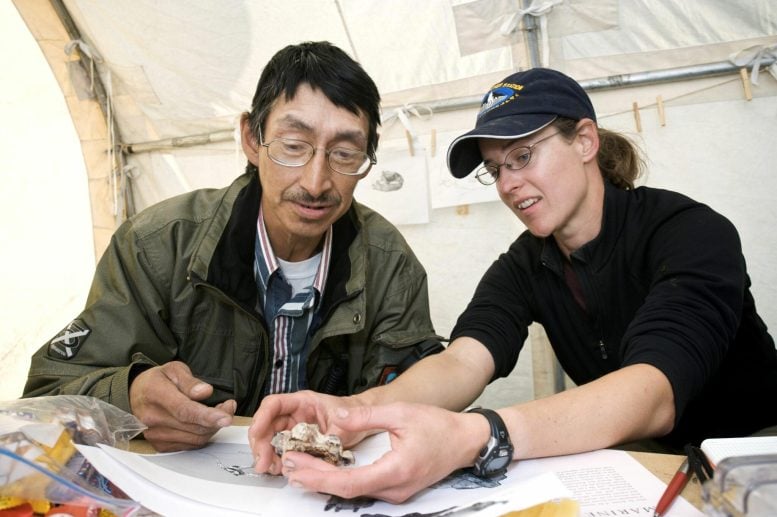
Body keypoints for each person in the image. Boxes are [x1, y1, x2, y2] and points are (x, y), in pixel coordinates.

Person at [247, 67, 777, 503]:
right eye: (495, 168)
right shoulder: (526, 263)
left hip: (753, 453)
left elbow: (653, 391)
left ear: (585, 140)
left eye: (523, 156)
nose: (508, 184)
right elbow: (461, 361)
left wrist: (478, 435)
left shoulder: (689, 232)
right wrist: (357, 412)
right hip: (646, 459)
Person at [22, 41, 442, 452]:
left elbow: (417, 400)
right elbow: (44, 397)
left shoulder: (391, 264)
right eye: (293, 146)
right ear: (250, 139)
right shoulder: (158, 245)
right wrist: (128, 398)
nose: (316, 182)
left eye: (345, 153)